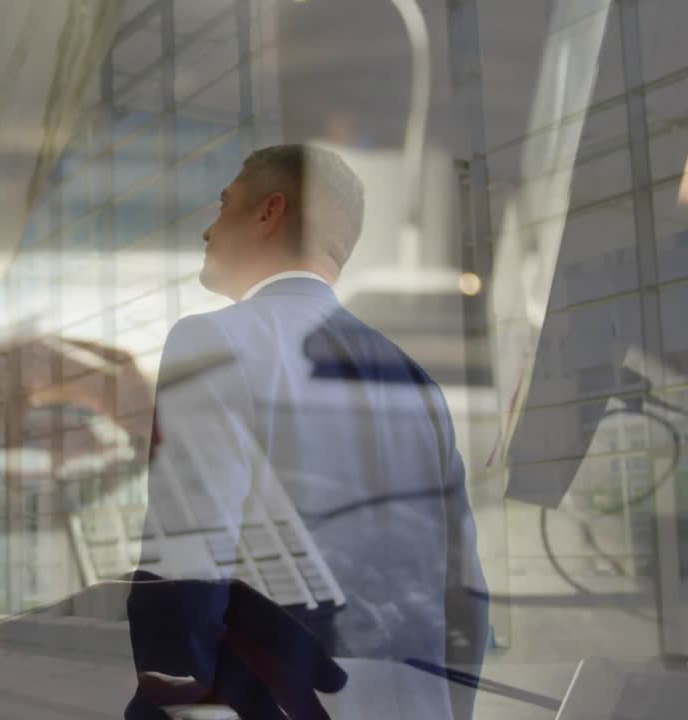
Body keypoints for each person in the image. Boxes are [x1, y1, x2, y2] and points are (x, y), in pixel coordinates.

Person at [125, 144, 488, 720]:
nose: (207, 230)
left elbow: (188, 562)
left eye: (224, 206)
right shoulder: (417, 383)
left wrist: (166, 705)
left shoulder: (216, 341)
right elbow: (464, 593)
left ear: (270, 212)